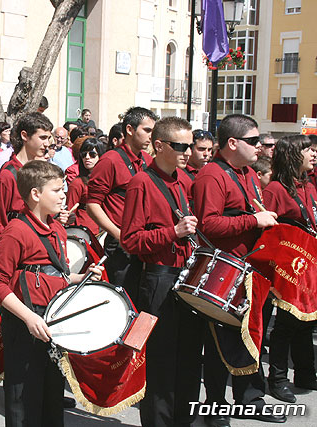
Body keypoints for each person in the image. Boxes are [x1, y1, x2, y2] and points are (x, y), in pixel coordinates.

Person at [0, 160, 104, 427]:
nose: (64, 195)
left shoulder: (57, 228)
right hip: (26, 322)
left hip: (53, 321)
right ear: (35, 194)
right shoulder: (16, 231)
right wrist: (28, 318)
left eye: (63, 189)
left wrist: (81, 278)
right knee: (24, 400)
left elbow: (53, 276)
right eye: (57, 190)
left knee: (51, 397)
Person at [191, 114, 283, 426]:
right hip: (224, 271)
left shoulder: (246, 174)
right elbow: (209, 224)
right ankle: (215, 406)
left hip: (251, 269)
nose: (260, 147)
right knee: (220, 344)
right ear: (233, 143)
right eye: (254, 141)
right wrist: (253, 221)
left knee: (252, 335)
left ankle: (251, 400)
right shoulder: (211, 176)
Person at [121, 117, 204, 426]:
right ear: (159, 146)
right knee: (161, 361)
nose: (187, 152)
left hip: (186, 276)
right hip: (157, 278)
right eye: (181, 146)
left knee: (189, 359)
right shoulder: (141, 182)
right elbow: (130, 240)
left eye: (190, 145)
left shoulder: (184, 180)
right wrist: (173, 232)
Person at [262, 135, 317, 404]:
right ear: (292, 156)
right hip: (288, 266)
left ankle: (306, 374)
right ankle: (278, 378)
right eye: (307, 150)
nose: (313, 154)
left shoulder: (308, 186)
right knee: (286, 323)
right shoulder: (275, 189)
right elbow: (268, 232)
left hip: (310, 263)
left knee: (308, 322)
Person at [86, 106, 157, 302]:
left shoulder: (149, 160)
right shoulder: (110, 160)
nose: (151, 136)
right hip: (119, 246)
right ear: (130, 129)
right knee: (121, 301)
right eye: (147, 130)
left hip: (144, 243)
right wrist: (120, 236)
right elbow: (92, 205)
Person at [0, 112, 56, 245]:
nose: (47, 144)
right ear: (24, 135)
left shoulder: (42, 171)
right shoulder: (8, 176)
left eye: (48, 138)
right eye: (42, 138)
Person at [66, 137, 105, 236]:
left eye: (92, 155)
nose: (87, 157)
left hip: (106, 230)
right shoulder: (77, 183)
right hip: (86, 233)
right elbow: (69, 212)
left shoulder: (108, 179)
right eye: (84, 155)